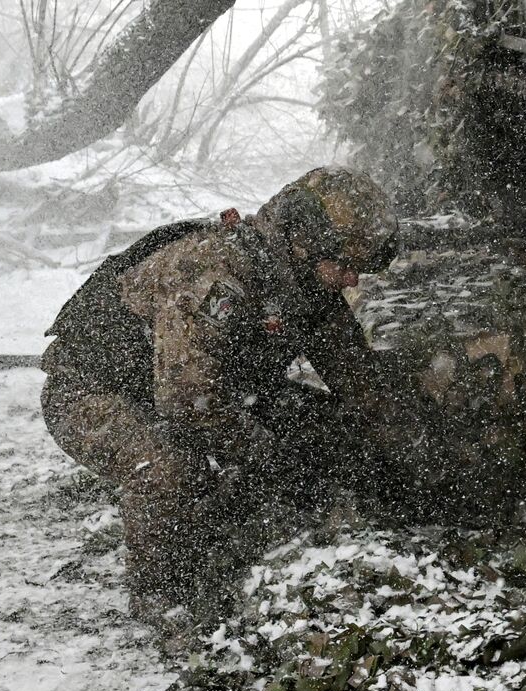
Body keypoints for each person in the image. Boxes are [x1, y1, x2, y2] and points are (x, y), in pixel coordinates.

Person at [41, 167, 398, 628]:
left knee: (322, 423)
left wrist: (405, 453)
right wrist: (271, 458)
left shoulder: (306, 279)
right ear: (302, 240)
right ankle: (162, 597)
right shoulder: (214, 270)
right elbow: (188, 402)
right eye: (345, 264)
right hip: (93, 392)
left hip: (197, 390)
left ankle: (232, 520)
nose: (351, 280)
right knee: (171, 469)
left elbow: (360, 384)